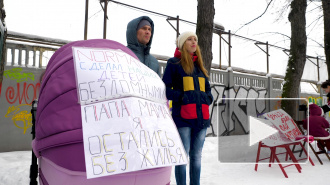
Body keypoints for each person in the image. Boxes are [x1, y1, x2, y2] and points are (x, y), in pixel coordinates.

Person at [162, 31, 213, 185]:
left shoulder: (200, 67)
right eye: (189, 39)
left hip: (202, 119)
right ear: (182, 44)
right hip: (183, 118)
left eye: (195, 39)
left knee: (196, 156)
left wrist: (207, 99)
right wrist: (182, 97)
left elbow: (208, 92)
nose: (193, 42)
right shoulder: (174, 64)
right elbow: (164, 89)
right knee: (182, 156)